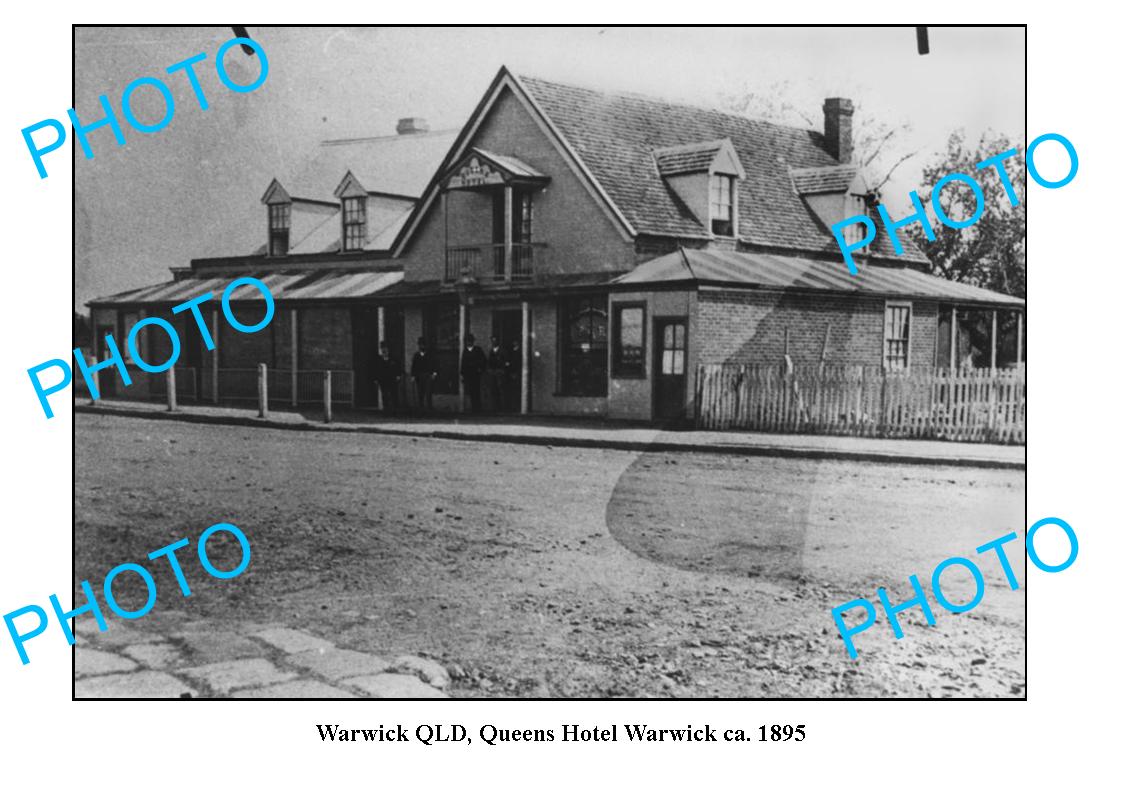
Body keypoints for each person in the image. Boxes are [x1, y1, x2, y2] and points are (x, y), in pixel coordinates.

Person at [460, 333, 487, 413]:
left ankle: (477, 407)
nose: (469, 343)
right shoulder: (465, 351)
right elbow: (463, 363)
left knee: (477, 390)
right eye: (467, 341)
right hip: (468, 374)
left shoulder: (478, 350)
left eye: (470, 341)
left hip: (476, 373)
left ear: (473, 342)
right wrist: (462, 374)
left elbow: (483, 360)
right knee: (471, 391)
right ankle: (473, 407)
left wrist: (480, 369)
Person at [410, 336, 439, 412]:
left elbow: (435, 364)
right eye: (420, 345)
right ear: (418, 345)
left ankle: (429, 409)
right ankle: (421, 409)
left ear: (426, 345)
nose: (422, 346)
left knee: (428, 393)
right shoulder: (416, 355)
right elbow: (414, 366)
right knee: (420, 393)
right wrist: (413, 376)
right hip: (419, 376)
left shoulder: (430, 355)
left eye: (423, 345)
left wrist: (434, 374)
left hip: (428, 375)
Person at [372, 341, 401, 411]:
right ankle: (386, 410)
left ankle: (395, 409)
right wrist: (375, 379)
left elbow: (398, 368)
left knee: (394, 394)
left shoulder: (393, 359)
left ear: (388, 349)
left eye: (385, 348)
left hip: (392, 379)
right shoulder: (378, 360)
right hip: (383, 380)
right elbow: (375, 370)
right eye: (382, 349)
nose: (384, 350)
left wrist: (398, 375)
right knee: (384, 395)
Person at [486, 336, 508, 412]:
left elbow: (506, 362)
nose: (493, 342)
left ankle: (503, 408)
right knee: (493, 389)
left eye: (495, 341)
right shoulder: (491, 351)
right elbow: (489, 362)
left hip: (500, 372)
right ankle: (495, 408)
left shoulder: (503, 351)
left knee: (501, 389)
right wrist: (489, 370)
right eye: (492, 341)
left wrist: (502, 370)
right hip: (493, 373)